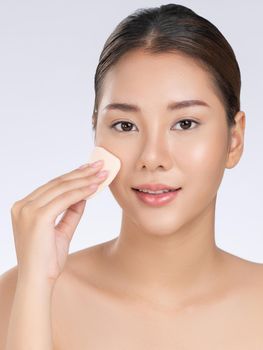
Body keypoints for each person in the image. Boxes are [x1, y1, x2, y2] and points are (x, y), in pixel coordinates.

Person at [1, 3, 263, 349]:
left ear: (235, 139)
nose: (152, 158)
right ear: (96, 131)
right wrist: (35, 285)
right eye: (125, 125)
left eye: (185, 123)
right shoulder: (22, 294)